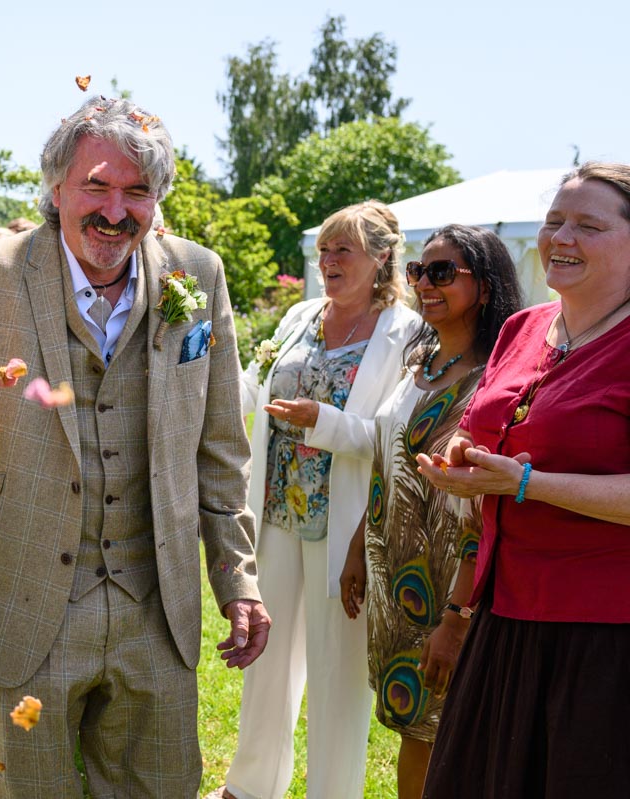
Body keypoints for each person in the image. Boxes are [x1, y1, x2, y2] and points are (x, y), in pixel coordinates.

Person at [0, 96, 269, 798]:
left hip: (158, 606)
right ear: (55, 188)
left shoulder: (197, 275)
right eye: (96, 185)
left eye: (137, 191)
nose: (115, 211)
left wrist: (237, 578)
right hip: (27, 600)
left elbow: (220, 447)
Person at [285, 225, 522, 799]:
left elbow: (481, 511)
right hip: (395, 572)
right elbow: (387, 461)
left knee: (435, 739)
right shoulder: (420, 360)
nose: (424, 284)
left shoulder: (496, 379)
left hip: (448, 587)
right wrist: (356, 549)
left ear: (485, 288)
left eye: (443, 273)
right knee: (410, 730)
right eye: (419, 271)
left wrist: (457, 617)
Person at [417, 163, 630, 798]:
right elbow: (494, 433)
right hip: (504, 620)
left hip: (603, 637)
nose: (562, 238)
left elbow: (526, 475)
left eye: (588, 225)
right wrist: (467, 456)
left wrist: (526, 483)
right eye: (554, 221)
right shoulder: (522, 327)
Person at [211, 200, 422, 799]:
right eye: (323, 250)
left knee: (337, 676)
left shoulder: (406, 333)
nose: (327, 261)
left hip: (347, 529)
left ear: (381, 259)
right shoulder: (302, 315)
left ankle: (334, 791)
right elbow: (252, 388)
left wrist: (323, 422)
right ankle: (251, 787)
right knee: (266, 657)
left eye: (342, 250)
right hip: (276, 514)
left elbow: (396, 436)